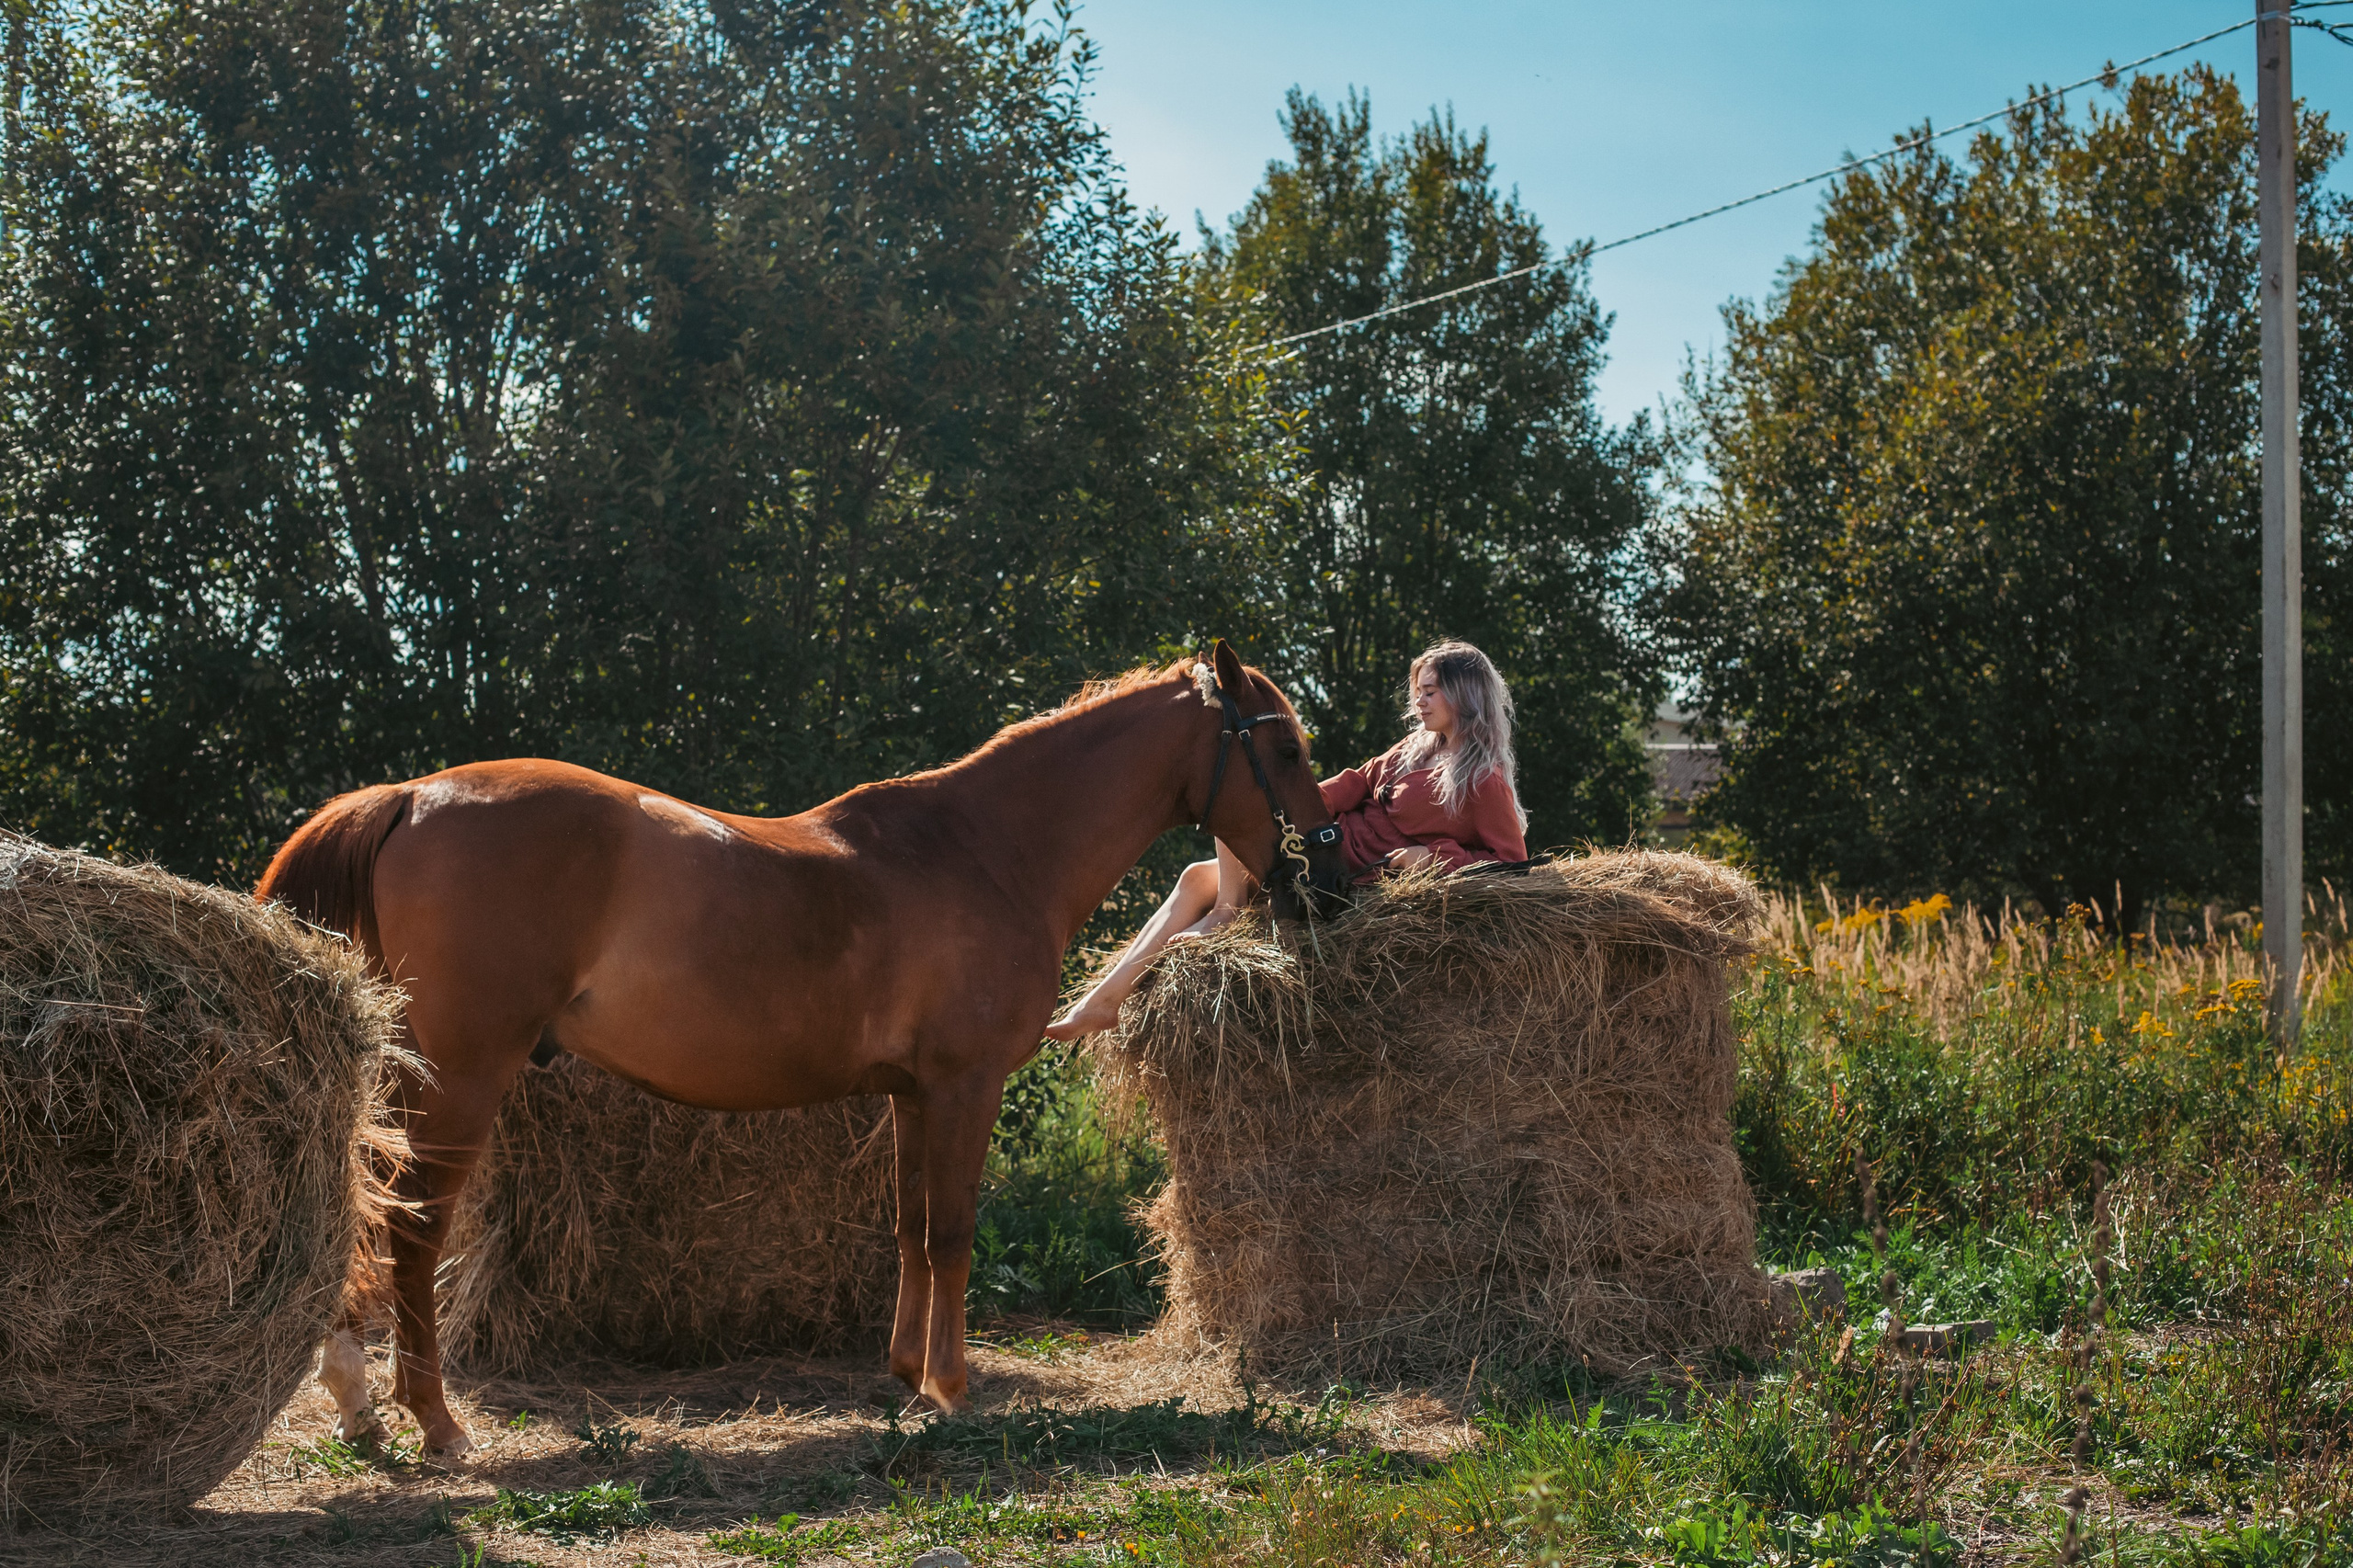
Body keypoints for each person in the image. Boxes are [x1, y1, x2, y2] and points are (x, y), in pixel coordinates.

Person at [1044, 640, 1528, 1040]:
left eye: (1431, 692)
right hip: (1326, 842)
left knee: (1214, 863)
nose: (1419, 701)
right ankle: (1104, 1001)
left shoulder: (1484, 780)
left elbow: (1511, 863)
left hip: (1349, 875)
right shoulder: (1413, 749)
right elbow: (1355, 783)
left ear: (1464, 695)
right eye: (1417, 691)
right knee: (1207, 857)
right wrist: (1291, 800)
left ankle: (1216, 921)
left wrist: (1434, 857)